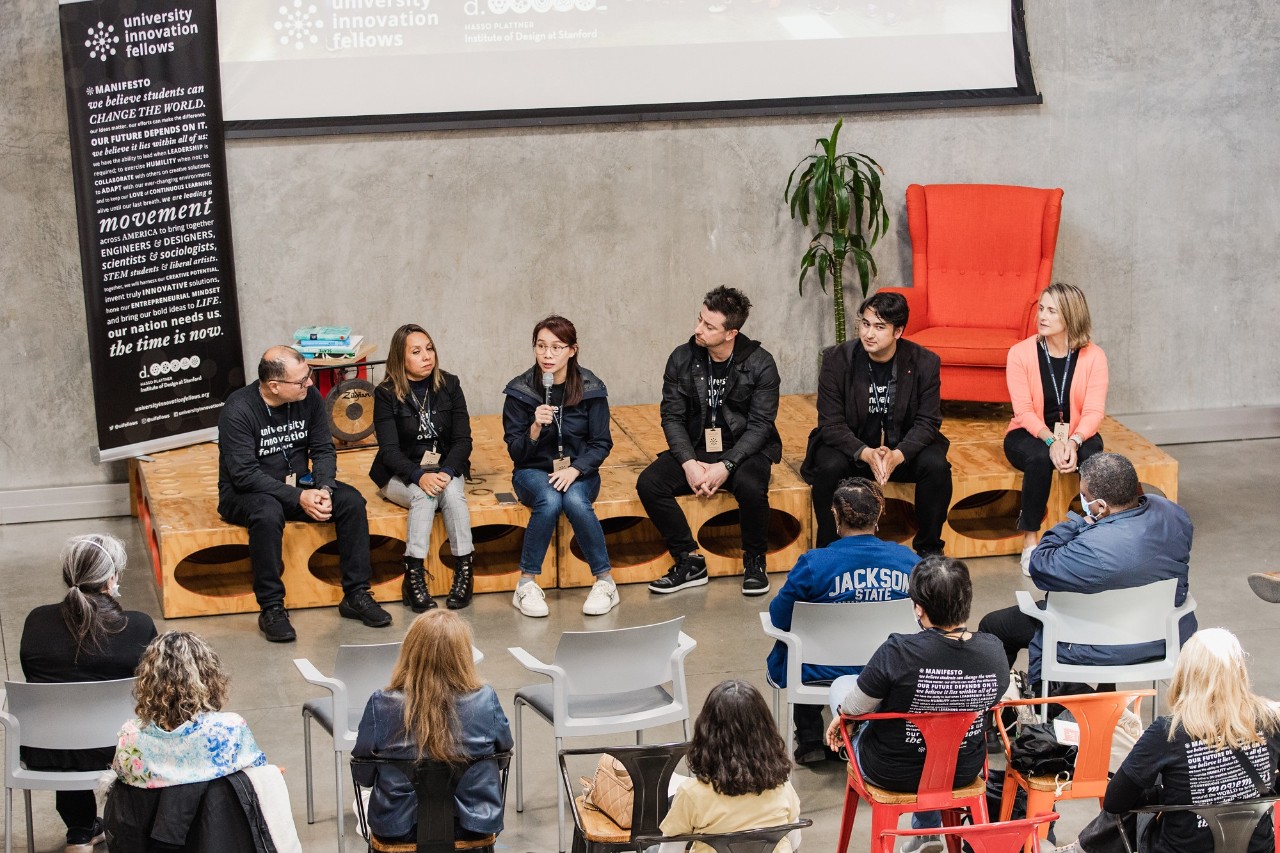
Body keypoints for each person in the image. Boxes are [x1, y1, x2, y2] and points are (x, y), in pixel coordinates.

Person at [825, 556, 1008, 853]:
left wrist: (844, 717)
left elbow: (857, 707)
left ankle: (926, 834)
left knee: (842, 687)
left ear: (919, 608)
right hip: (961, 768)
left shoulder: (898, 651)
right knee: (938, 738)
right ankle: (926, 834)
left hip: (890, 770)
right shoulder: (994, 650)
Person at [977, 452, 1196, 690]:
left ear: (1100, 506)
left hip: (1099, 645)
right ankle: (1104, 697)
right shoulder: (1174, 515)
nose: (1083, 501)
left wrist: (1078, 523)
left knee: (994, 625)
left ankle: (1004, 704)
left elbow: (1039, 564)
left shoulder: (1090, 549)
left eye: (1084, 496)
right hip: (1162, 639)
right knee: (1114, 596)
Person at [218, 345, 392, 642]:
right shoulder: (238, 410)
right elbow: (244, 475)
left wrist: (323, 487)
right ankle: (271, 608)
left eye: (308, 376)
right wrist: (297, 496)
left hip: (300, 484)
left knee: (350, 501)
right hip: (246, 492)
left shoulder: (308, 397)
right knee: (267, 513)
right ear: (274, 386)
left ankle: (356, 594)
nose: (310, 384)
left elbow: (323, 449)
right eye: (301, 381)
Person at [19, 533, 157, 853]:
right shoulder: (136, 626)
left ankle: (80, 831)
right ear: (112, 578)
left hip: (47, 751)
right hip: (124, 753)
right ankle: (127, 826)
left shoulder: (36, 622)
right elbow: (153, 690)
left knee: (66, 718)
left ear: (69, 576)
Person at [639, 286, 782, 596]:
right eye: (699, 319)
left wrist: (727, 465)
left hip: (745, 448)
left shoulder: (760, 363)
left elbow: (760, 426)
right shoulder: (682, 357)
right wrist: (689, 462)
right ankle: (688, 560)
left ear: (731, 333)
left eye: (708, 325)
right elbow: (673, 417)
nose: (697, 329)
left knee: (751, 486)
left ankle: (754, 561)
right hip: (697, 445)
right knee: (650, 483)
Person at [765, 478, 917, 766]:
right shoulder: (907, 560)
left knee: (802, 650)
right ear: (879, 514)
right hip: (887, 667)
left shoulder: (814, 563)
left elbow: (779, 617)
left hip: (821, 669)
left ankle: (810, 739)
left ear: (835, 515)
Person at [1095, 628, 1280, 853]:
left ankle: (1081, 847)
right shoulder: (1271, 719)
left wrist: (1163, 793)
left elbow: (1114, 802)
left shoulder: (1168, 731)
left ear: (1186, 673)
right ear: (1239, 673)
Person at [800, 291, 952, 557]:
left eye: (879, 327)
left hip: (901, 450)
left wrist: (899, 454)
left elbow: (928, 422)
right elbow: (830, 423)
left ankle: (929, 550)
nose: (869, 333)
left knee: (936, 465)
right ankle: (829, 550)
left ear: (898, 332)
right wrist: (865, 452)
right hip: (853, 450)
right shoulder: (837, 360)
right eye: (865, 323)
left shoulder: (924, 363)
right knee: (829, 465)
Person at [352, 611, 513, 846]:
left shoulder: (381, 703)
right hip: (474, 827)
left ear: (410, 652)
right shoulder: (486, 699)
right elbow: (501, 759)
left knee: (363, 802)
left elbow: (363, 774)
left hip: (396, 828)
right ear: (463, 655)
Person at [502, 315, 618, 617]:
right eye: (541, 346)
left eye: (556, 347)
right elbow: (516, 453)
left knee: (577, 501)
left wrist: (575, 469)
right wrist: (534, 429)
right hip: (533, 471)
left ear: (572, 350)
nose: (547, 354)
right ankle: (526, 584)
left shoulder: (591, 388)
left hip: (579, 470)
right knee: (550, 499)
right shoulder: (520, 390)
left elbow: (601, 443)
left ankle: (605, 582)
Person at [1004, 282, 1109, 575]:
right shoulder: (1020, 353)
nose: (1042, 316)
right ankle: (1030, 542)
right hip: (1029, 433)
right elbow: (1023, 411)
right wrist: (1053, 442)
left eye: (1052, 311)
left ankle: (1097, 533)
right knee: (1038, 459)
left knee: (1094, 457)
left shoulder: (1094, 356)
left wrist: (1073, 442)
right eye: (1041, 308)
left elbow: (1093, 411)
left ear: (1071, 317)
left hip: (1076, 432)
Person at [371, 324, 477, 612]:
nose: (427, 356)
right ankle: (414, 576)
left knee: (452, 494)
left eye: (429, 348)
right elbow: (389, 452)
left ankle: (465, 572)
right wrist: (419, 476)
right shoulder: (385, 394)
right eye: (416, 352)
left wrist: (448, 472)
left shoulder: (450, 385)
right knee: (424, 495)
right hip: (400, 474)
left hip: (444, 469)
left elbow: (462, 440)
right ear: (400, 359)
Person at [659, 680, 801, 853]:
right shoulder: (783, 787)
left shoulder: (691, 794)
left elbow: (669, 851)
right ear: (766, 733)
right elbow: (794, 843)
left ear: (706, 733)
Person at [111, 632, 267, 788]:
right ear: (210, 677)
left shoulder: (130, 737)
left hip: (159, 813)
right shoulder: (230, 728)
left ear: (147, 681)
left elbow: (123, 785)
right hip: (218, 812)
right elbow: (257, 777)